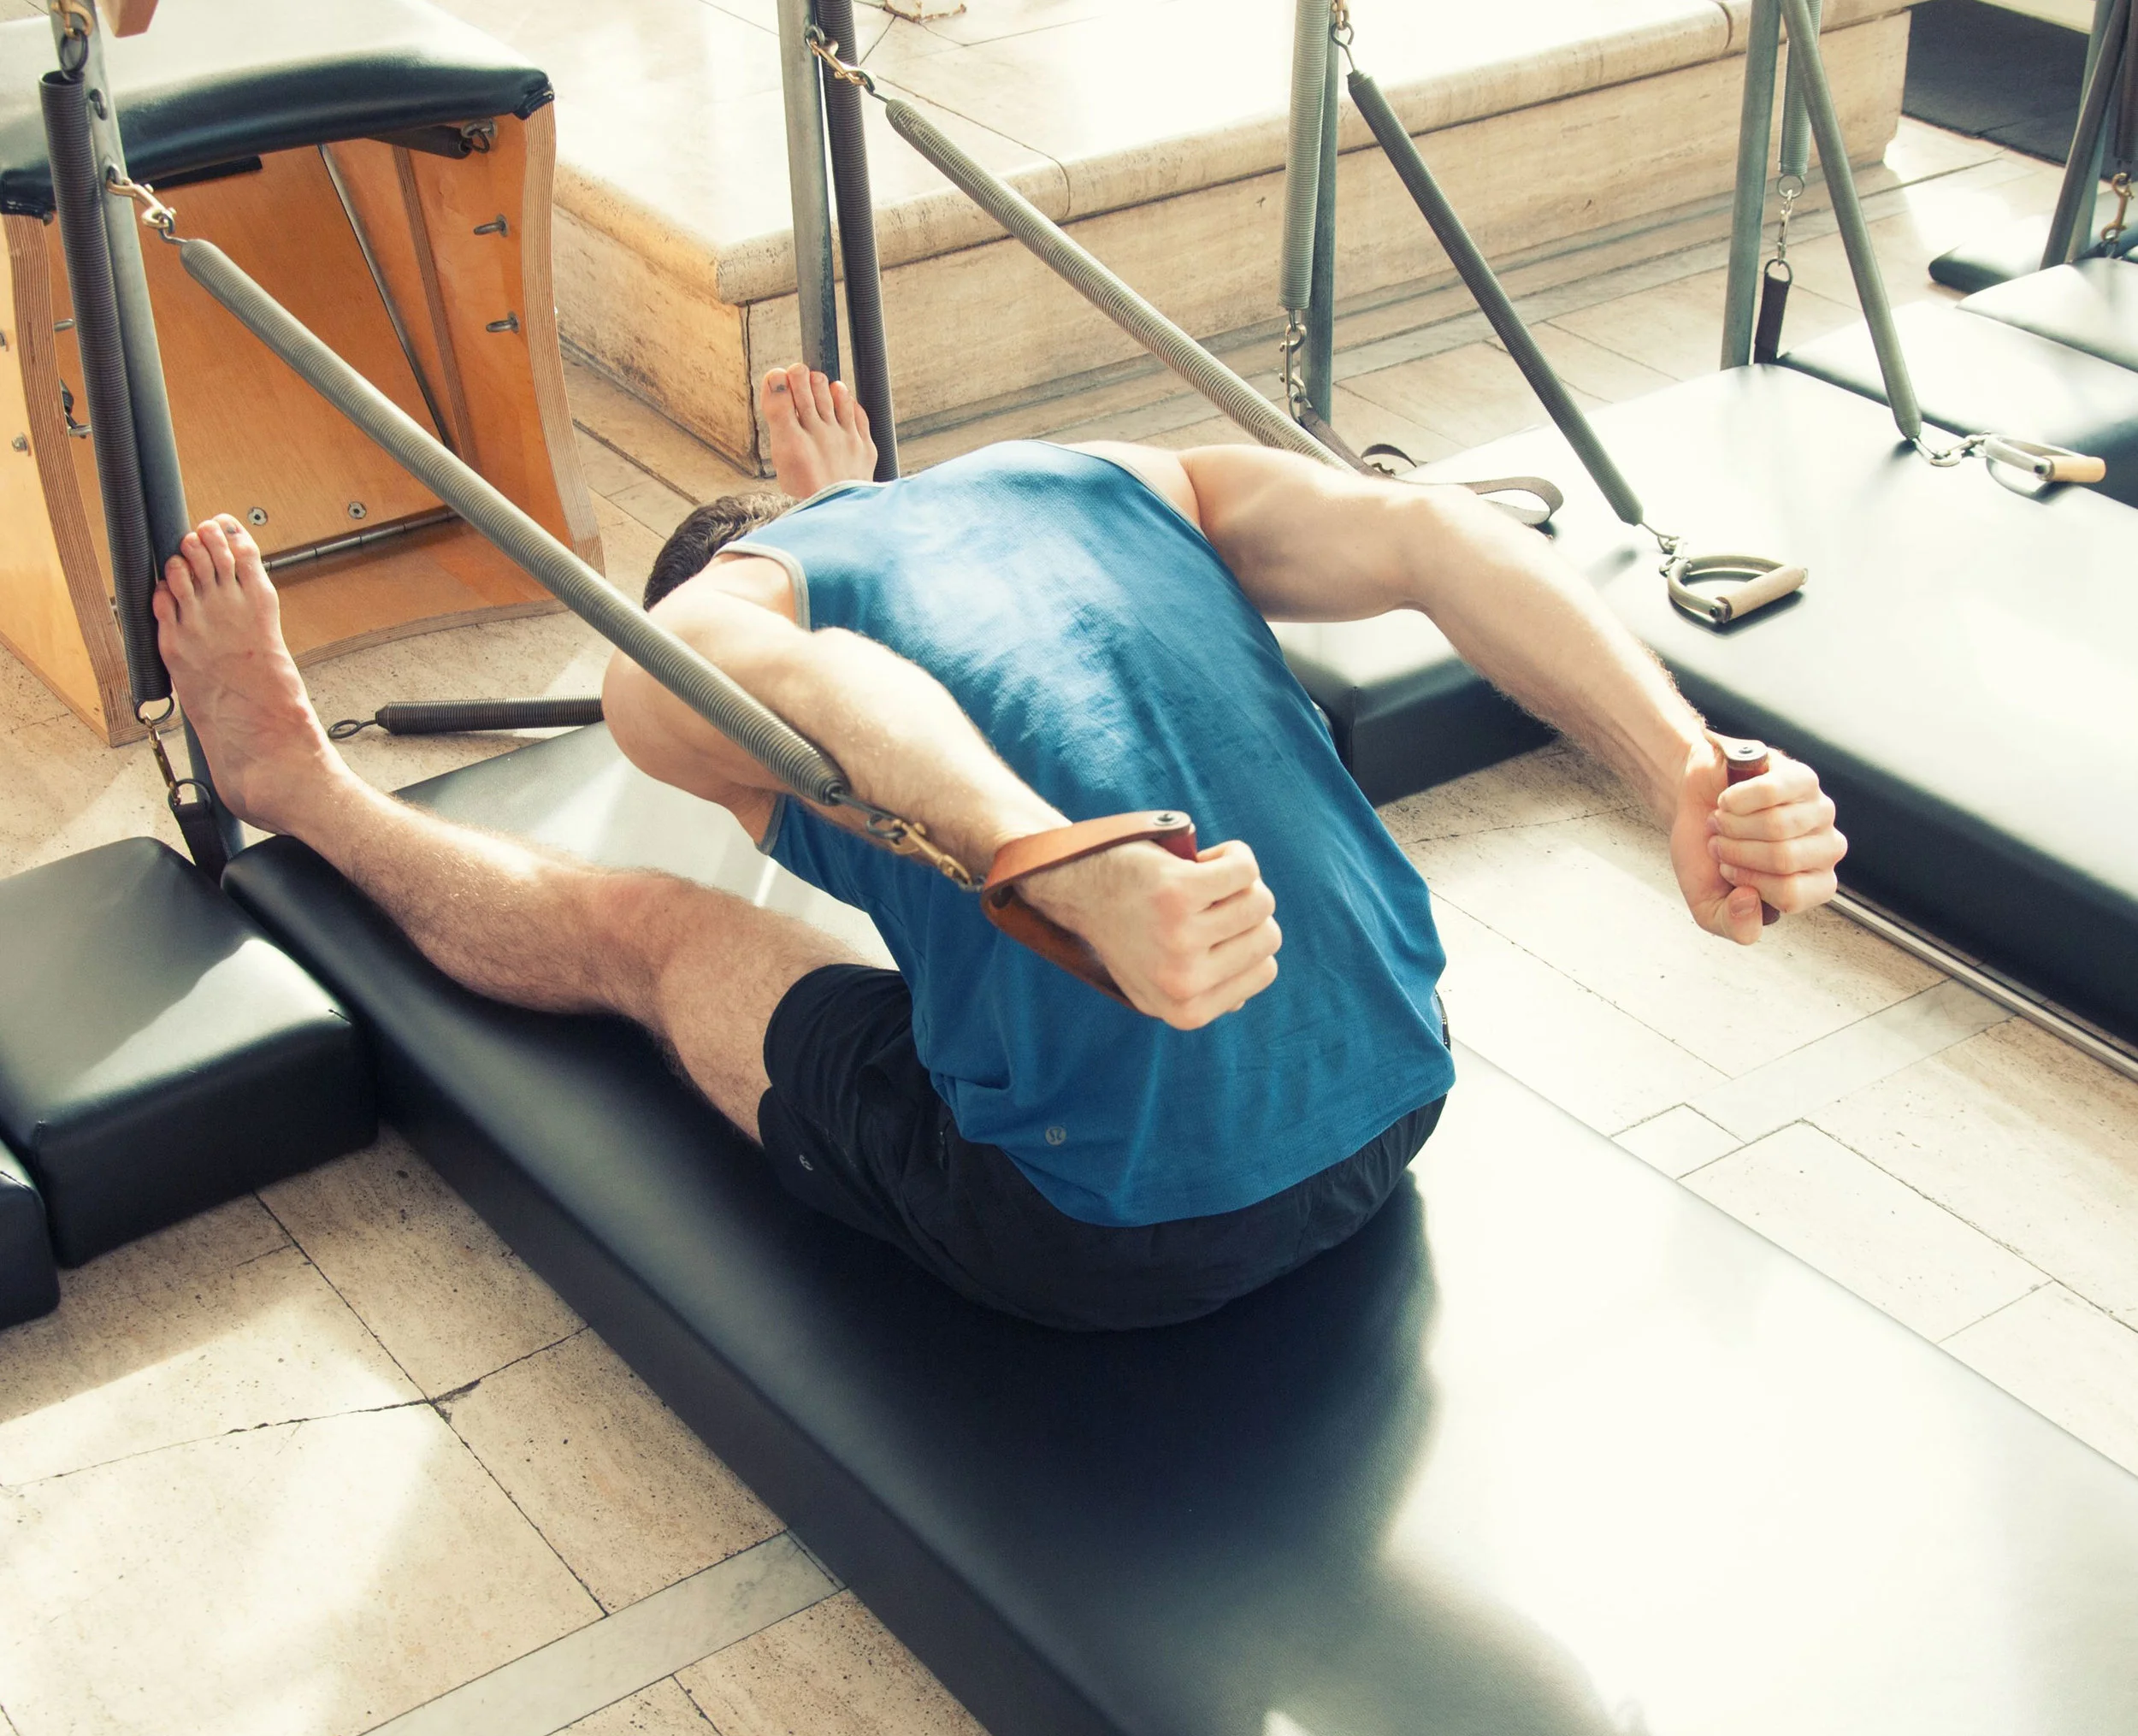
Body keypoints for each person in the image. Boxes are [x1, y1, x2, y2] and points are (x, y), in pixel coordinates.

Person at [154, 363, 1845, 1330]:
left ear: (716, 571)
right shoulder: (1088, 477)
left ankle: (298, 786)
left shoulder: (703, 637)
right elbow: (1425, 531)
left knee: (645, 935)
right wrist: (1678, 765)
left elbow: (828, 676)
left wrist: (1066, 866)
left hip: (1108, 1232)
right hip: (1400, 1094)